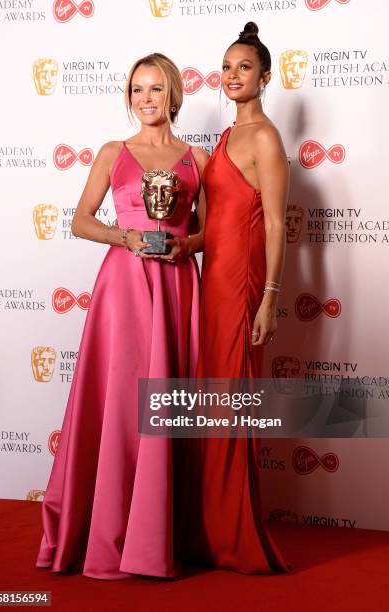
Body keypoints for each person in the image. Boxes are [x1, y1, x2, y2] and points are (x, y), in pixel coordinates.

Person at [36, 52, 208, 580]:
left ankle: (161, 536)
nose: (146, 99)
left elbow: (211, 232)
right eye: (137, 90)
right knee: (121, 405)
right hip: (125, 286)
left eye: (156, 89)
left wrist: (186, 247)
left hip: (176, 284)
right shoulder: (114, 152)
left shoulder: (197, 159)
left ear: (173, 95)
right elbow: (82, 221)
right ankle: (109, 534)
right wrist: (125, 236)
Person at [183, 22, 289, 574]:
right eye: (226, 67)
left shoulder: (266, 137)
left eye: (243, 67)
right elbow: (213, 223)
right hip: (211, 279)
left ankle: (232, 533)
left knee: (232, 397)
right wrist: (180, 247)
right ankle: (208, 525)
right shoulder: (223, 140)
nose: (232, 76)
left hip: (244, 284)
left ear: (265, 78)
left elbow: (275, 223)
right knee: (211, 398)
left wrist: (270, 297)